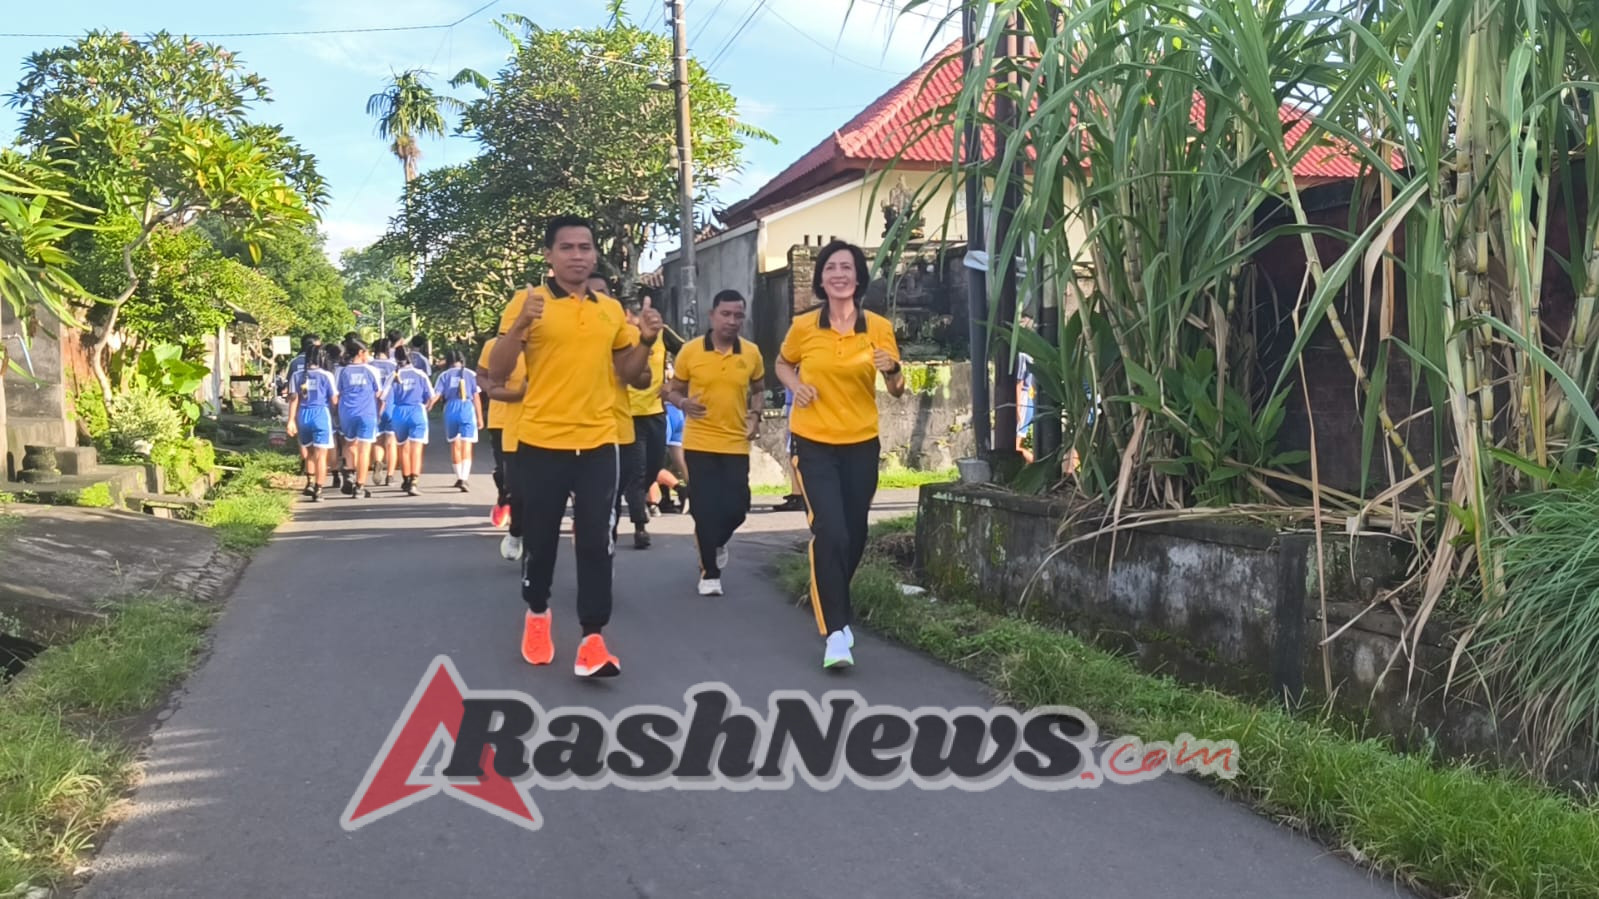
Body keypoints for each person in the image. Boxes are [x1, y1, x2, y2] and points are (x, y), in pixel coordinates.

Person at [486, 214, 662, 679]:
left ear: (595, 253)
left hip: (600, 441)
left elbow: (631, 375)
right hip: (541, 442)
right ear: (549, 255)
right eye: (567, 248)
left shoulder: (609, 310)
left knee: (597, 540)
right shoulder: (528, 301)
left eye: (585, 247)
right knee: (541, 540)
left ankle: (592, 638)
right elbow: (498, 372)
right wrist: (520, 325)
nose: (578, 256)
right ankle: (538, 613)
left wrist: (646, 341)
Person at [774, 239, 906, 669]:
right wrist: (796, 386)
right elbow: (782, 363)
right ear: (820, 278)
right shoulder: (804, 326)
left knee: (855, 534)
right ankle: (835, 633)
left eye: (847, 267)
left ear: (858, 277)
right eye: (831, 268)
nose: (839, 275)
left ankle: (835, 600)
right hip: (813, 442)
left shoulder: (879, 328)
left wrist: (893, 369)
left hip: (861, 442)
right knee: (830, 532)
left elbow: (896, 388)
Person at [662, 289, 764, 596]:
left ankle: (716, 541)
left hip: (735, 442)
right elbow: (670, 390)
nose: (732, 321)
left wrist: (756, 415)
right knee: (704, 509)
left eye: (738, 315)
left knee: (738, 507)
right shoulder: (691, 351)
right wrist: (683, 403)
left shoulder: (751, 353)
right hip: (700, 442)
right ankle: (710, 573)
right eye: (725, 314)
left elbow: (759, 389)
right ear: (712, 315)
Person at [592, 276, 656, 549]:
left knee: (639, 476)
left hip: (624, 425)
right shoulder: (565, 330)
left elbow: (643, 379)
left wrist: (643, 345)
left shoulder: (628, 333)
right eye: (591, 293)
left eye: (603, 292)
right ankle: (612, 534)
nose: (598, 298)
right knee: (602, 497)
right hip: (582, 433)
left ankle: (609, 532)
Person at [477, 332, 528, 560]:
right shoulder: (494, 345)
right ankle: (514, 527)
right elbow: (481, 375)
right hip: (502, 422)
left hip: (540, 421)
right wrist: (494, 389)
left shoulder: (549, 342)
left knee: (536, 482)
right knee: (508, 478)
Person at [286, 345, 339, 502]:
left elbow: (293, 399)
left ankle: (309, 482)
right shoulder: (327, 375)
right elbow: (334, 400)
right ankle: (319, 489)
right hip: (321, 414)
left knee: (309, 453)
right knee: (321, 456)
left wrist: (291, 420)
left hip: (303, 415)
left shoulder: (296, 375)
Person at [335, 338, 384, 499]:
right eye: (367, 352)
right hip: (367, 413)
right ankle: (360, 486)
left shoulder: (341, 371)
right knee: (364, 449)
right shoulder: (372, 370)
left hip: (347, 413)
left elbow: (337, 394)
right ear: (361, 353)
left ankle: (349, 474)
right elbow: (379, 393)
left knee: (350, 444)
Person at [430, 350, 483, 492]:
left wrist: (428, 405)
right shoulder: (471, 374)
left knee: (455, 444)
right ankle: (465, 478)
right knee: (467, 443)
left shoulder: (444, 375)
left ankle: (459, 477)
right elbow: (476, 397)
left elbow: (436, 394)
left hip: (450, 409)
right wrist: (480, 417)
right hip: (467, 408)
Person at [387, 345, 434, 496]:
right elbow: (431, 396)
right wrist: (427, 407)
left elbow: (382, 396)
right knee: (416, 449)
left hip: (399, 412)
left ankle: (406, 478)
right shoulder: (420, 374)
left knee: (403, 448)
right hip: (417, 411)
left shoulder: (394, 374)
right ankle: (414, 481)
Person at [370, 338, 400, 487]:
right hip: (391, 406)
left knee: (378, 440)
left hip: (373, 408)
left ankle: (377, 462)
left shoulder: (369, 366)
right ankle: (390, 475)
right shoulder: (394, 367)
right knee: (391, 441)